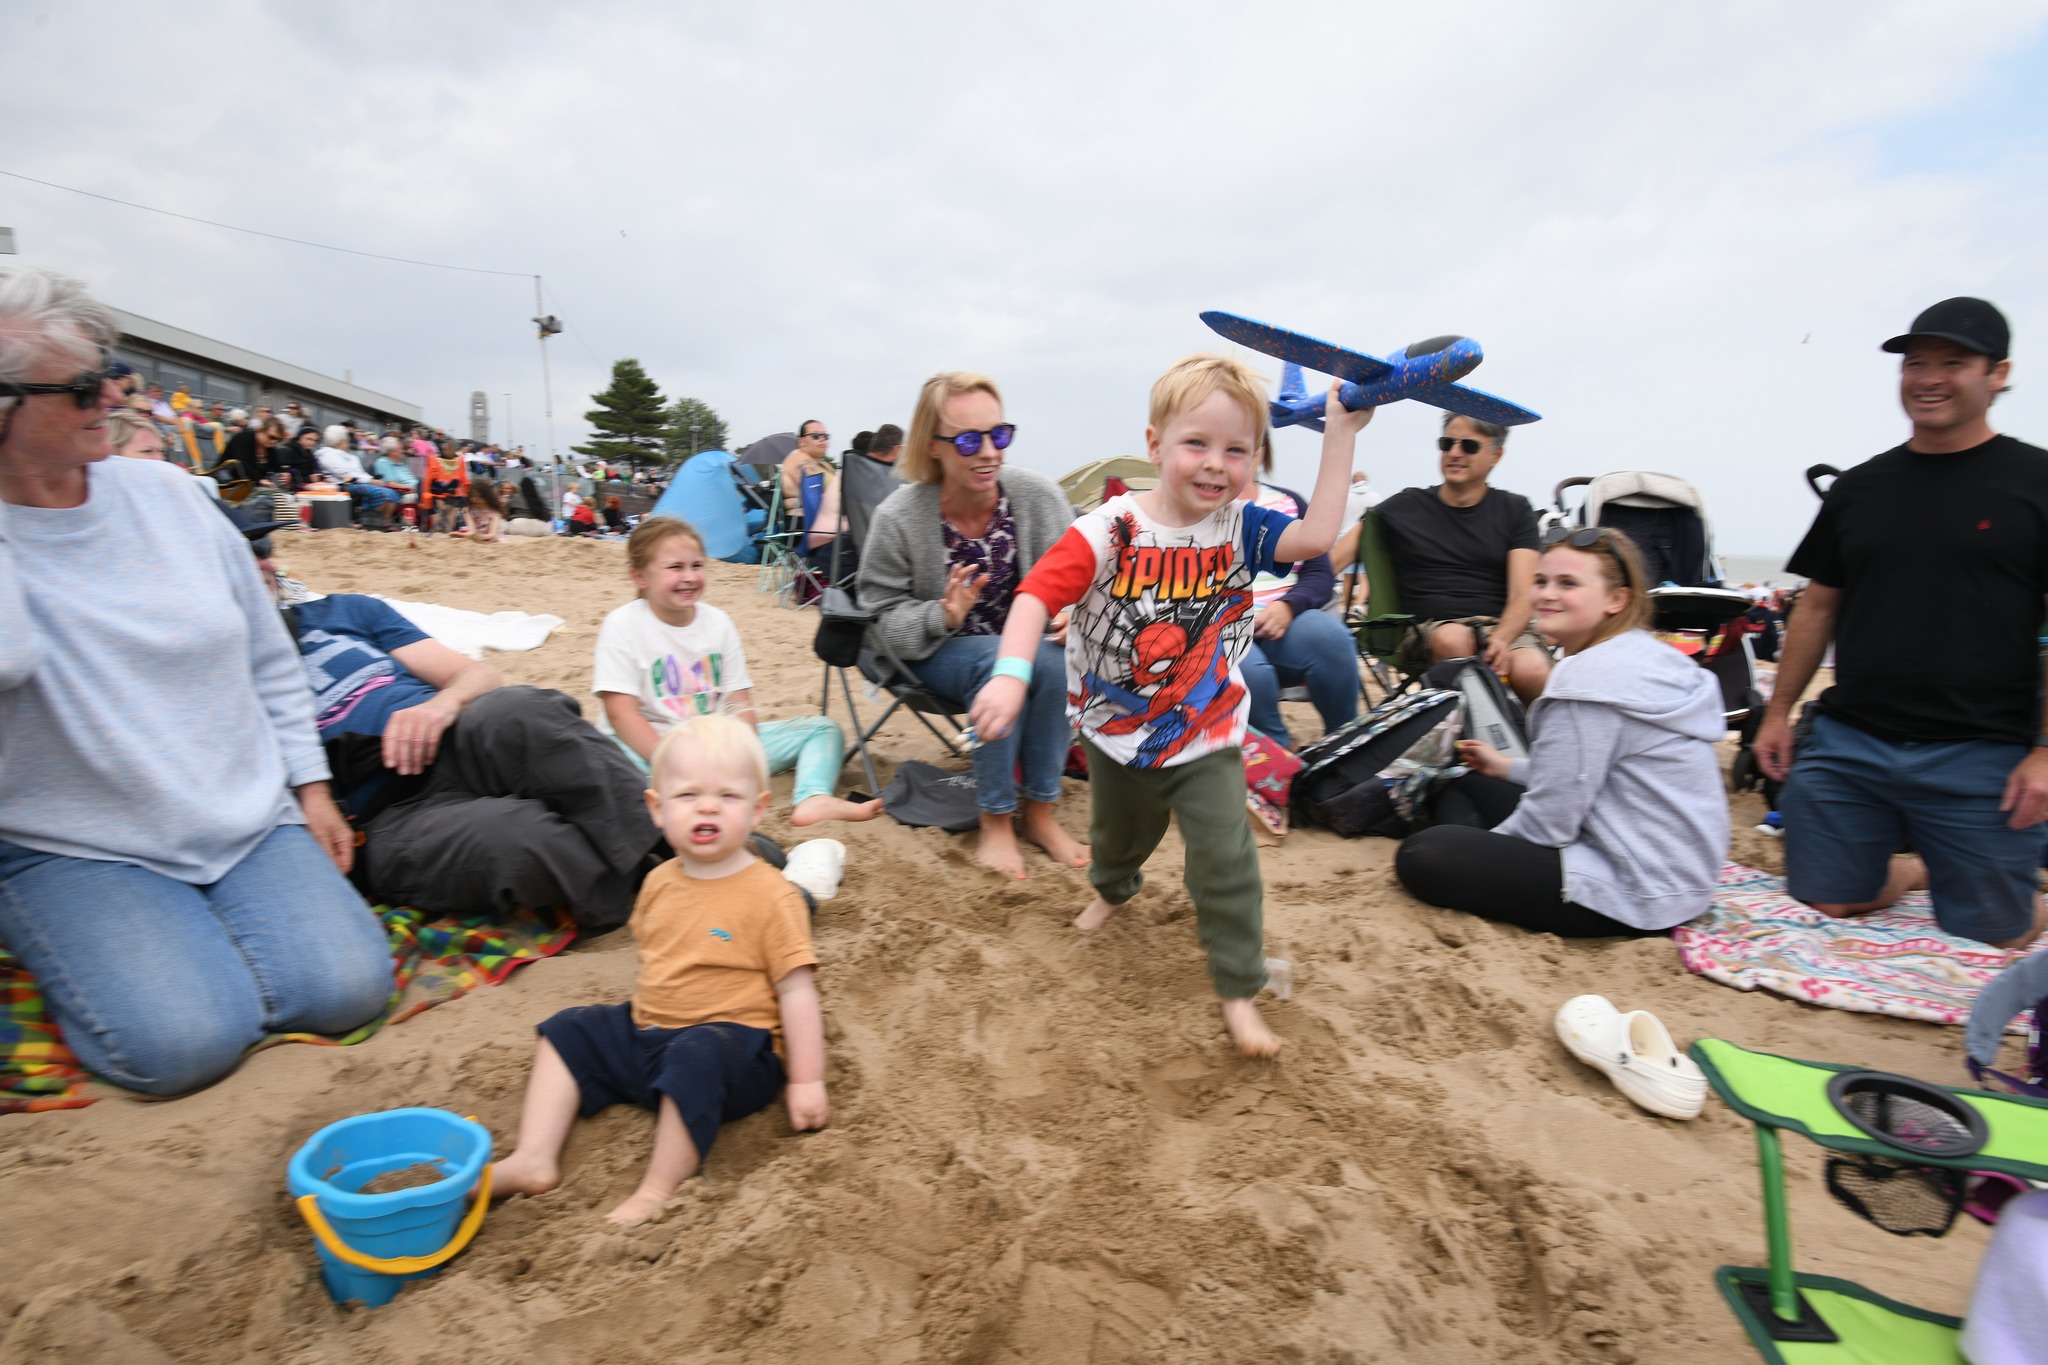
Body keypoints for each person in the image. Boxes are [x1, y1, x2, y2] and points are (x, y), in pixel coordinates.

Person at [0, 265, 390, 1096]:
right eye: (80, 388)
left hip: (240, 812)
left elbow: (267, 657)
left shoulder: (170, 494)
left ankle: (203, 943)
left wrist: (311, 789)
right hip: (78, 840)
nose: (110, 395)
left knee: (350, 987)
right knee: (183, 1045)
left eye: (112, 373)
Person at [970, 354, 1362, 1055]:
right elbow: (1035, 595)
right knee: (1118, 839)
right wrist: (1008, 674)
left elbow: (1313, 539)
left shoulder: (1243, 526)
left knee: (1225, 857)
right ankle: (1112, 891)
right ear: (1155, 445)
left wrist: (1341, 435)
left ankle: (1239, 990)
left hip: (1206, 730)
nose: (1216, 464)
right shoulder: (1110, 529)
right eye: (1197, 444)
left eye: (1237, 449)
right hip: (1116, 730)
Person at [1759, 297, 2048, 950]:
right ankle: (1915, 868)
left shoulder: (2037, 481)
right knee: (1828, 901)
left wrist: (2045, 752)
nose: (1929, 377)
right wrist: (1778, 711)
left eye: (1954, 361)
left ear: (1998, 374)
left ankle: (1979, 879)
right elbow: (1818, 606)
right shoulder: (1860, 488)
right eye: (1916, 362)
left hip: (1985, 750)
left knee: (1993, 933)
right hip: (1854, 740)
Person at [491, 715, 829, 1225]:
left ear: (759, 808)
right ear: (657, 809)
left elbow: (797, 992)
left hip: (737, 1050)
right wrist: (640, 1031)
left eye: (728, 797)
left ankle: (657, 1189)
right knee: (570, 1028)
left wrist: (806, 1080)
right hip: (653, 1038)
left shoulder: (772, 896)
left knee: (698, 1051)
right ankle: (533, 1158)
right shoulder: (658, 884)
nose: (708, 806)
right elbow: (660, 963)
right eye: (688, 795)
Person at [1394, 527, 1728, 936]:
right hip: (1683, 874)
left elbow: (1548, 827)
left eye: (1567, 584)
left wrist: (1484, 853)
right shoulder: (1643, 654)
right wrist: (1508, 768)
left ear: (1616, 599)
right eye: (1541, 581)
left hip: (1638, 890)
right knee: (1466, 783)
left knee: (1425, 854)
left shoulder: (1587, 681)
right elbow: (1593, 773)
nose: (1546, 595)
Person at [858, 373, 1087, 878]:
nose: (988, 452)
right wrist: (941, 614)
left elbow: (1081, 581)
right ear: (932, 447)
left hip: (1023, 648)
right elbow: (876, 621)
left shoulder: (1037, 498)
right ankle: (997, 817)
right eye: (968, 440)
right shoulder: (899, 516)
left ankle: (1041, 812)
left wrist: (1077, 611)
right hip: (936, 653)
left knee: (1049, 659)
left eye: (998, 435)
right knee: (998, 662)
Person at [596, 516, 881, 827]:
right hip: (651, 746)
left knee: (822, 730)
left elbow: (738, 700)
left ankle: (812, 797)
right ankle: (679, 789)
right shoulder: (623, 625)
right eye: (675, 567)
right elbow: (621, 715)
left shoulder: (717, 622)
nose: (689, 577)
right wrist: (673, 762)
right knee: (604, 758)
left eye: (697, 565)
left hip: (716, 746)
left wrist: (741, 751)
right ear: (640, 576)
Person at [1337, 415, 1549, 702]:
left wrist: (1501, 638)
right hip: (1427, 629)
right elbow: (1332, 561)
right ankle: (1473, 739)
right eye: (1447, 443)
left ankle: (1541, 742)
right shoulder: (1406, 505)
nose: (1454, 453)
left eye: (1469, 446)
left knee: (1532, 668)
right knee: (1453, 640)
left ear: (1496, 455)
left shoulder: (1515, 510)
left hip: (1499, 627)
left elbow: (1523, 595)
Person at [1235, 463, 1360, 749]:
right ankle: (1279, 755)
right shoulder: (1196, 510)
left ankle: (1344, 745)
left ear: (1260, 449)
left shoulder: (1289, 502)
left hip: (1286, 620)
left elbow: (1319, 573)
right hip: (1225, 627)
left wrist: (1288, 606)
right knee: (1250, 673)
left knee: (1331, 640)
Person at [780, 419, 833, 509]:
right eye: (815, 436)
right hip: (806, 520)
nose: (822, 439)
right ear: (801, 441)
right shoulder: (797, 457)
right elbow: (816, 488)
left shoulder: (824, 465)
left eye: (825, 436)